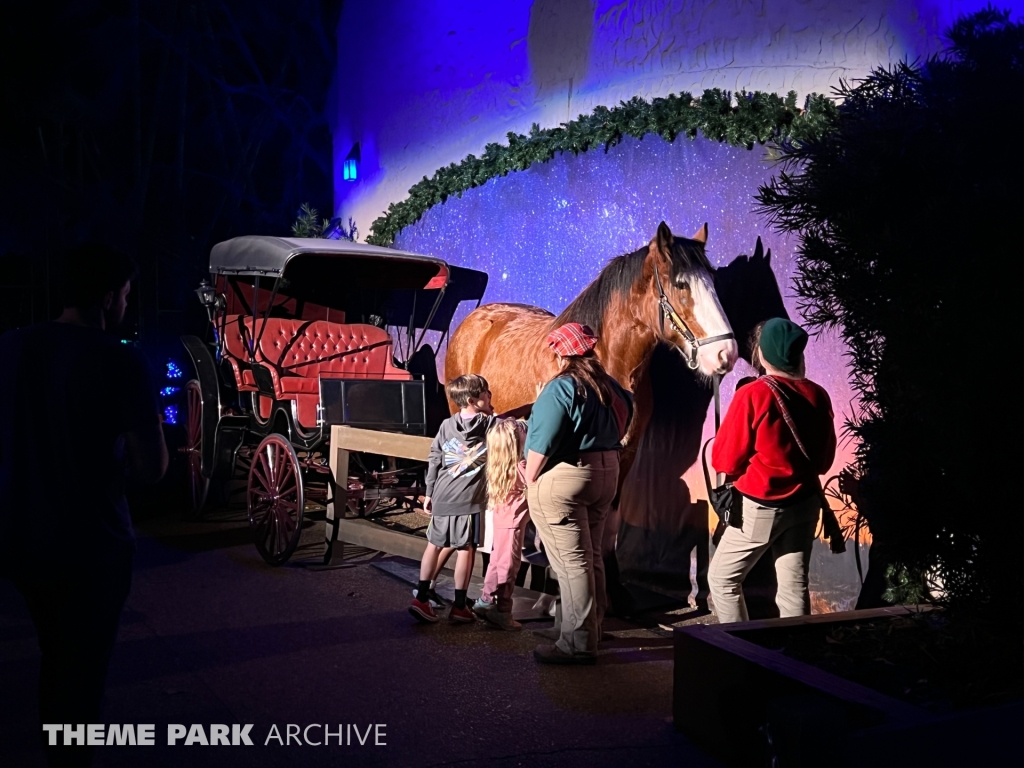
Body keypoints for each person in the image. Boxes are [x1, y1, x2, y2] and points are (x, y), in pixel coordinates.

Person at [0, 243, 168, 767]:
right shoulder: (119, 361)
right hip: (93, 543)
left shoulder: (9, 350)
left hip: (22, 535)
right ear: (106, 297)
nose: (125, 305)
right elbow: (151, 467)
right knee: (82, 674)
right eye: (124, 295)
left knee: (55, 653)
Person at [707, 317, 837, 623]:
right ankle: (798, 657)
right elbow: (823, 462)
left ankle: (738, 657)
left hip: (761, 508)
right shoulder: (818, 395)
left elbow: (725, 460)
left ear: (763, 353)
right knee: (794, 588)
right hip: (805, 504)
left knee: (724, 580)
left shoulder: (753, 394)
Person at [525, 323, 632, 665]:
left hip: (566, 477)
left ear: (561, 354)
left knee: (573, 564)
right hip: (606, 474)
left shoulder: (561, 389)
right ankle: (592, 626)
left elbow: (541, 444)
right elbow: (625, 424)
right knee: (591, 556)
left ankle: (577, 643)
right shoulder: (614, 388)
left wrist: (527, 476)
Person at [409, 374, 495, 624]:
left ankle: (422, 597)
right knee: (466, 550)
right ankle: (459, 606)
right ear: (473, 400)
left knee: (433, 546)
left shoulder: (447, 425)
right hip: (469, 500)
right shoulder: (490, 426)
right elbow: (512, 424)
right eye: (486, 393)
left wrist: (430, 492)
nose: (490, 395)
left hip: (443, 495)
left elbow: (435, 457)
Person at [472, 419, 530, 630]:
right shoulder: (522, 467)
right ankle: (502, 610)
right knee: (509, 564)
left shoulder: (498, 465)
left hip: (501, 520)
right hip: (513, 524)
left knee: (496, 560)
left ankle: (486, 600)